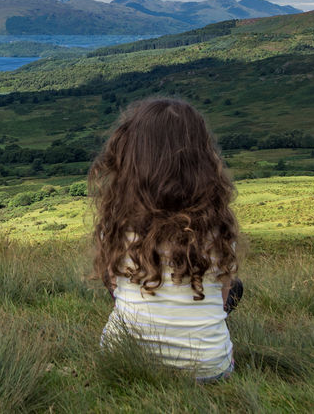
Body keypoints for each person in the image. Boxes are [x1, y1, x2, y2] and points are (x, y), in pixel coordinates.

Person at [89, 97, 243, 382]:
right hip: (209, 370)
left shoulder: (116, 224)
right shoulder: (217, 227)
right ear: (202, 159)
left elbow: (113, 288)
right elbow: (222, 300)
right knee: (235, 288)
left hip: (121, 358)